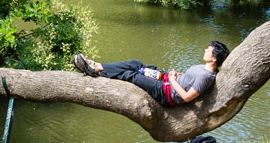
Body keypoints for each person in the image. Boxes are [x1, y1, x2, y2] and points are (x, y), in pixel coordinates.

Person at [73, 41, 230, 107]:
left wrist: (174, 80)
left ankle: (96, 70)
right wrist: (176, 75)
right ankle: (96, 66)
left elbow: (187, 97)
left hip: (165, 92)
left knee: (131, 75)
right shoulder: (207, 70)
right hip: (166, 79)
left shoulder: (206, 77)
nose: (205, 50)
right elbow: (190, 79)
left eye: (208, 50)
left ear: (214, 58)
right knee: (135, 64)